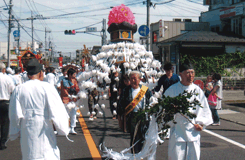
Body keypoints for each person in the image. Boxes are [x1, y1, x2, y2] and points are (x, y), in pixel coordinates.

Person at [8, 58, 70, 159]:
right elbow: (58, 111)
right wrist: (62, 128)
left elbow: (14, 114)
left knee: (30, 155)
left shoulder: (19, 89)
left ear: (28, 74)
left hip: (27, 132)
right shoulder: (47, 87)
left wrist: (14, 132)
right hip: (45, 131)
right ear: (41, 73)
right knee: (47, 154)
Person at [164, 62, 213, 160]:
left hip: (193, 131)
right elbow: (164, 110)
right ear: (181, 74)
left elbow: (204, 109)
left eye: (192, 72)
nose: (191, 75)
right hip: (177, 132)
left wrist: (202, 124)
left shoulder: (197, 90)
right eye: (188, 73)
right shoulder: (172, 90)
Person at [118, 71, 152, 154]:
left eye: (135, 78)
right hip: (132, 116)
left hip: (143, 116)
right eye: (131, 79)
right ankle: (134, 155)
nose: (133, 81)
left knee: (142, 137)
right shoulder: (126, 91)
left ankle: (139, 153)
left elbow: (151, 101)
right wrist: (120, 120)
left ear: (139, 79)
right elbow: (120, 105)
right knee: (134, 137)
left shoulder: (145, 90)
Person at [0, 62, 15, 150]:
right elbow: (12, 90)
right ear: (4, 69)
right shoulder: (7, 78)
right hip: (5, 102)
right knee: (5, 123)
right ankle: (2, 142)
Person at [60, 68, 80, 135]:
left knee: (73, 113)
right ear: (70, 74)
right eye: (74, 74)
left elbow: (77, 88)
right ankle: (66, 127)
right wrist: (68, 95)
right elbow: (63, 90)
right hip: (66, 99)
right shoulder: (63, 81)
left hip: (73, 99)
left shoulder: (75, 80)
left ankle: (72, 128)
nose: (75, 75)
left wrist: (79, 94)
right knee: (66, 114)